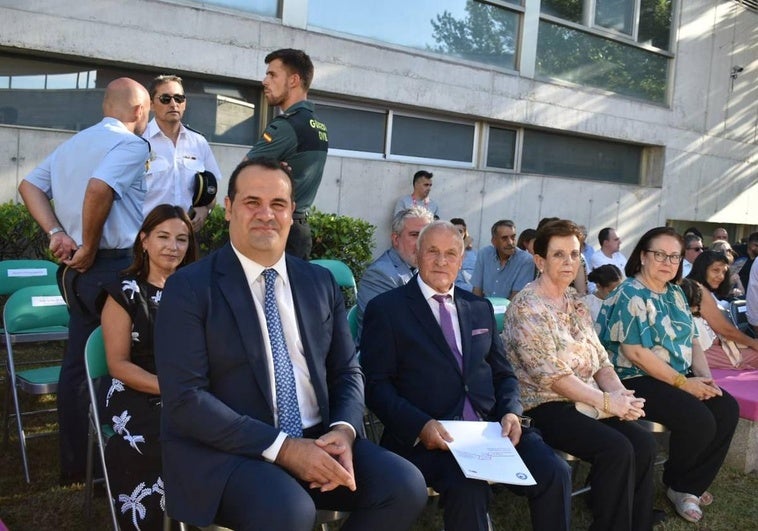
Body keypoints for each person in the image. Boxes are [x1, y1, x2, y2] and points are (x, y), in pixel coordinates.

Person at [153, 158, 427, 530]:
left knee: (405, 486)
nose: (266, 214)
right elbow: (186, 400)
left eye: (278, 204)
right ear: (229, 208)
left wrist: (344, 430)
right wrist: (283, 448)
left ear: (291, 212)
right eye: (252, 202)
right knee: (290, 510)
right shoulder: (189, 288)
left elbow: (347, 371)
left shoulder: (319, 283)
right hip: (231, 451)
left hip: (320, 439)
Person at [361, 221, 571, 531]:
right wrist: (421, 426)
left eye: (450, 253)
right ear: (417, 255)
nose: (441, 261)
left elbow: (504, 374)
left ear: (462, 260)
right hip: (430, 438)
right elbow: (376, 386)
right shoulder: (388, 310)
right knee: (469, 486)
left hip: (490, 430)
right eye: (432, 251)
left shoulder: (478, 307)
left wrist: (511, 412)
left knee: (555, 470)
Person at [19, 77, 151, 484]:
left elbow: (28, 186)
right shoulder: (132, 144)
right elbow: (99, 189)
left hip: (78, 272)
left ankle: (76, 466)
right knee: (129, 361)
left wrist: (57, 232)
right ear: (138, 111)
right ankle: (126, 462)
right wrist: (90, 245)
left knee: (78, 367)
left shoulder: (73, 145)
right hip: (114, 266)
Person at [502, 220, 655, 531]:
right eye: (559, 255)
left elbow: (600, 359)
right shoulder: (527, 307)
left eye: (574, 254)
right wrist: (608, 402)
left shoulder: (574, 300)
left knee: (643, 442)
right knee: (616, 448)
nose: (568, 262)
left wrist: (622, 395)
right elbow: (554, 377)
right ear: (540, 260)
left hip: (585, 400)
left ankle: (635, 523)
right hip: (543, 407)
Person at [596, 227, 739, 524]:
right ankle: (679, 480)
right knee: (698, 419)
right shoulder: (630, 292)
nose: (667, 261)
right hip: (633, 378)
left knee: (726, 406)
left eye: (674, 256)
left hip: (675, 374)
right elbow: (635, 352)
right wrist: (684, 383)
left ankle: (687, 487)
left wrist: (705, 379)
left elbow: (692, 341)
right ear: (643, 257)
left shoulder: (676, 292)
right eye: (659, 254)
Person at [100, 205, 197, 531]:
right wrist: (170, 388)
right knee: (161, 432)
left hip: (190, 385)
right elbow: (118, 364)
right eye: (163, 237)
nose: (173, 247)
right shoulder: (124, 292)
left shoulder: (197, 291)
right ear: (143, 240)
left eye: (181, 239)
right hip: (134, 389)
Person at [244, 49, 328, 260]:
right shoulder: (318, 125)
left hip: (278, 230)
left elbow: (242, 175)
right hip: (299, 230)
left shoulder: (287, 125)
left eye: (272, 75)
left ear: (293, 80)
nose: (265, 81)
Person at [142, 75, 222, 232]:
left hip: (186, 237)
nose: (173, 104)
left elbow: (212, 188)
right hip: (145, 235)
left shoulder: (198, 142)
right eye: (165, 98)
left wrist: (205, 208)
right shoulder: (138, 141)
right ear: (151, 104)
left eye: (179, 98)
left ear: (184, 103)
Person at [355, 206, 433, 339]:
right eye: (414, 235)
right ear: (396, 239)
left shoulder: (424, 271)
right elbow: (396, 328)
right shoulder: (379, 274)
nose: (422, 243)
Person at [685, 251, 758, 369]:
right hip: (697, 352)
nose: (721, 276)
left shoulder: (694, 286)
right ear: (702, 269)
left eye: (724, 272)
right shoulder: (698, 289)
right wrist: (753, 343)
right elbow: (724, 329)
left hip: (699, 348)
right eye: (715, 270)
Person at [471, 220, 534, 299]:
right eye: (504, 238)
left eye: (513, 237)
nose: (510, 242)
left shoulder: (526, 260)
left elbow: (516, 299)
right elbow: (477, 290)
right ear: (494, 241)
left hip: (509, 309)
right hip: (484, 307)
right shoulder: (484, 254)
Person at [450, 217, 477, 291]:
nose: (457, 234)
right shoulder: (445, 252)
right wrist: (464, 245)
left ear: (465, 234)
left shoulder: (474, 254)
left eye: (460, 231)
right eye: (454, 231)